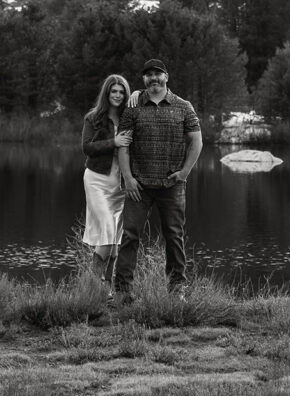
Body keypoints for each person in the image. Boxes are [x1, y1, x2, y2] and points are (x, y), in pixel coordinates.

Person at [114, 58, 203, 299]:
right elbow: (123, 145)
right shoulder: (133, 107)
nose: (153, 78)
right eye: (148, 75)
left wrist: (184, 173)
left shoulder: (184, 107)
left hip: (171, 185)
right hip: (138, 186)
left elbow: (196, 141)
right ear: (144, 80)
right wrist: (128, 178)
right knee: (130, 235)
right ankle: (122, 292)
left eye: (158, 74)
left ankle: (177, 291)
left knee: (174, 236)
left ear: (166, 77)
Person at [81, 74, 133, 286]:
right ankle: (95, 285)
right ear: (107, 93)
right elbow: (87, 148)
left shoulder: (129, 118)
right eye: (114, 91)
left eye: (121, 92)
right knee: (107, 232)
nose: (118, 95)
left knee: (114, 240)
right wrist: (114, 142)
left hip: (119, 184)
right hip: (97, 181)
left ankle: (106, 289)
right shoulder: (93, 118)